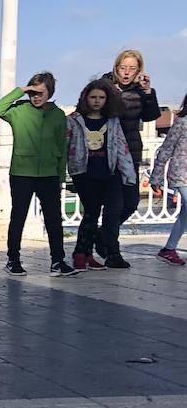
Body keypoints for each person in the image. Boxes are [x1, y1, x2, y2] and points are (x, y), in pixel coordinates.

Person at [0, 72, 79, 277]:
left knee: (53, 219)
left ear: (49, 93)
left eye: (40, 93)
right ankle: (13, 260)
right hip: (22, 173)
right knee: (19, 216)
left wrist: (60, 177)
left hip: (49, 174)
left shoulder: (58, 115)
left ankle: (57, 262)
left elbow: (62, 146)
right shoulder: (18, 110)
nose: (36, 97)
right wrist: (20, 90)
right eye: (33, 92)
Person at [66, 79, 136, 271]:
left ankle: (91, 253)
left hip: (109, 172)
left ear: (107, 100)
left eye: (101, 97)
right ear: (86, 98)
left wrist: (129, 174)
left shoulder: (112, 121)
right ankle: (81, 253)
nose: (97, 101)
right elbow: (65, 144)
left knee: (113, 209)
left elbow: (122, 146)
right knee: (91, 212)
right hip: (84, 173)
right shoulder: (74, 120)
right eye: (93, 97)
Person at [100, 49, 161, 239]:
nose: (126, 72)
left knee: (131, 203)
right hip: (107, 151)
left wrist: (148, 93)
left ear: (138, 71)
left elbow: (151, 116)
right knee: (114, 203)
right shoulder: (104, 86)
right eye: (123, 67)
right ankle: (111, 249)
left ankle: (102, 237)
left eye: (132, 69)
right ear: (116, 67)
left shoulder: (141, 91)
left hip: (132, 151)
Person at [150, 92, 187, 265]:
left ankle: (169, 249)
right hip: (182, 173)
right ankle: (168, 249)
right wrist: (156, 177)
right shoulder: (182, 123)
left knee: (186, 213)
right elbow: (165, 150)